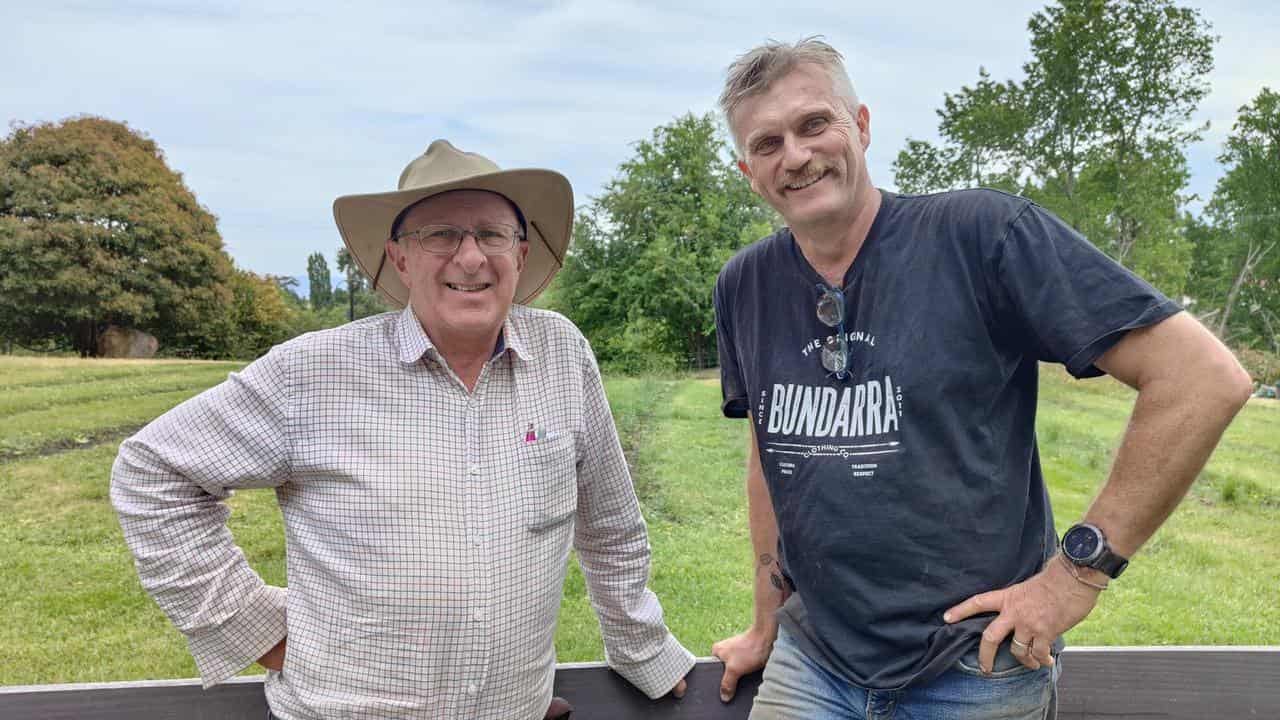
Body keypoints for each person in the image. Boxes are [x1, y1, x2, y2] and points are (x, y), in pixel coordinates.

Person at [708, 38, 1252, 719]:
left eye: (815, 123)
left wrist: (1075, 577)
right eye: (767, 143)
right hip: (814, 663)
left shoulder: (982, 236)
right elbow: (771, 454)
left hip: (976, 667)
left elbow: (1201, 377)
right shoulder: (744, 285)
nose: (795, 154)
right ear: (747, 172)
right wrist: (765, 621)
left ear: (862, 126)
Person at [112, 140, 694, 720]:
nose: (470, 258)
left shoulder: (562, 353)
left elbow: (610, 526)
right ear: (400, 257)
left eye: (492, 235)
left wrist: (643, 653)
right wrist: (252, 628)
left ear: (519, 254)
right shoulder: (314, 371)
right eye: (441, 235)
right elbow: (153, 470)